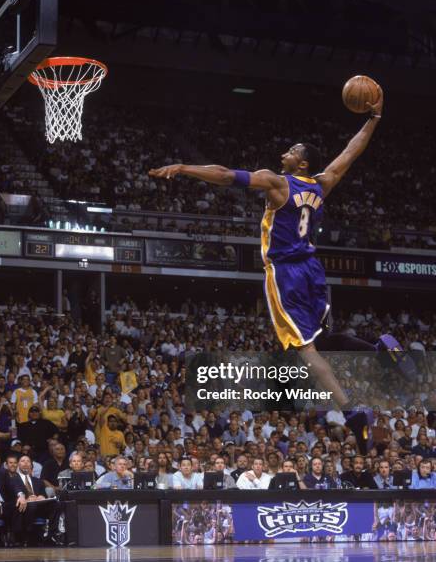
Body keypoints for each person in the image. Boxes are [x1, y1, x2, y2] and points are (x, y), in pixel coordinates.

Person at [149, 89, 391, 411]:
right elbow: (351, 152)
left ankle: (350, 412)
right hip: (313, 270)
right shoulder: (323, 183)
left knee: (305, 350)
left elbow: (224, 175)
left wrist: (183, 167)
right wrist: (374, 118)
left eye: (292, 151)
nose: (284, 153)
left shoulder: (277, 184)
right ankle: (378, 350)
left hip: (286, 273)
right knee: (321, 340)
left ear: (302, 163)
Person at [10, 455, 62, 546]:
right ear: (18, 465)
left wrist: (41, 496)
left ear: (31, 465)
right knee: (31, 506)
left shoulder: (38, 481)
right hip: (23, 507)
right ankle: (28, 536)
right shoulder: (13, 479)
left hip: (39, 506)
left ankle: (50, 536)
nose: (25, 463)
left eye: (28, 461)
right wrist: (26, 498)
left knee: (56, 504)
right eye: (23, 461)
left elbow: (43, 494)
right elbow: (16, 491)